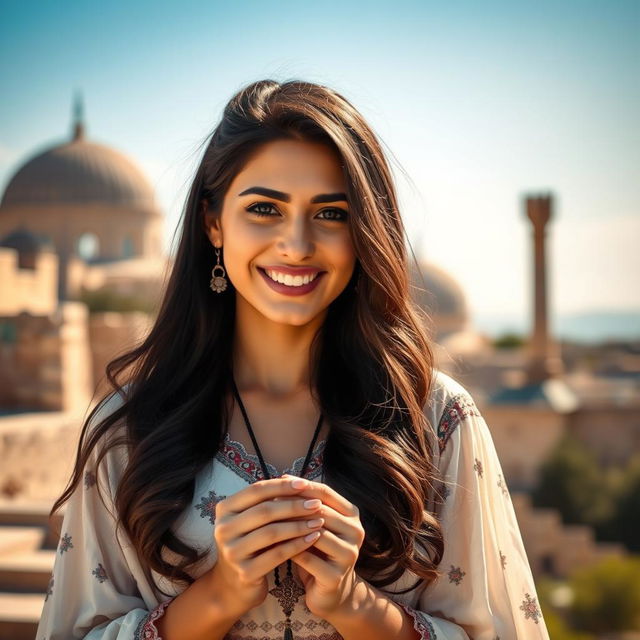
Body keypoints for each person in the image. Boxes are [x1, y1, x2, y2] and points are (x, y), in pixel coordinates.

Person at [36, 79, 550, 640]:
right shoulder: (131, 428)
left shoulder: (438, 420)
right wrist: (220, 595)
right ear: (213, 221)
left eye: (330, 214)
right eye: (264, 209)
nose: (297, 244)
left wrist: (354, 604)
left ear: (363, 231)